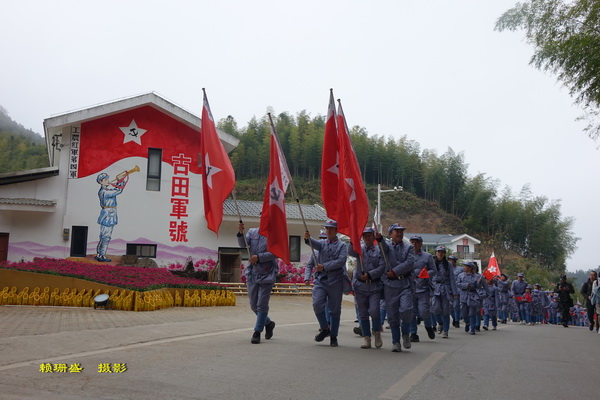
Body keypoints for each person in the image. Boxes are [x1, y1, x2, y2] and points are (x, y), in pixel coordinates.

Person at [304, 219, 348, 347]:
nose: (328, 231)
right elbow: (315, 245)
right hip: (321, 280)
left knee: (334, 310)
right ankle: (325, 329)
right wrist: (308, 239)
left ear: (336, 231)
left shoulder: (342, 246)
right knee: (317, 304)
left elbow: (341, 261)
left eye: (331, 229)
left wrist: (324, 266)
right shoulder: (322, 243)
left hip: (335, 281)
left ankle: (334, 335)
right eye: (327, 228)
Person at [237, 222, 278, 344]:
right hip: (253, 273)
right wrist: (240, 233)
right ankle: (268, 323)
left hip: (268, 273)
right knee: (254, 305)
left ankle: (257, 332)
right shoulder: (252, 232)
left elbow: (277, 252)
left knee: (262, 304)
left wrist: (259, 257)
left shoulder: (275, 235)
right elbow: (243, 244)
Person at [377, 224, 415, 352]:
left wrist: (395, 271)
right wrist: (379, 239)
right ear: (390, 234)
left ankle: (405, 332)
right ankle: (396, 342)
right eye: (396, 231)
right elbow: (382, 246)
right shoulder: (386, 246)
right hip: (390, 286)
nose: (399, 234)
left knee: (407, 309)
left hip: (405, 284)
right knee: (392, 315)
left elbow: (410, 263)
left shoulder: (409, 247)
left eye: (401, 231)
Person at [348, 227, 385, 349]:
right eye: (365, 236)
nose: (367, 238)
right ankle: (367, 338)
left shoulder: (379, 250)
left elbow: (381, 267)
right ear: (362, 237)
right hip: (360, 287)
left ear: (373, 237)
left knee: (374, 311)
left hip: (374, 286)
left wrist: (370, 275)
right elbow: (351, 252)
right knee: (363, 314)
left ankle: (377, 332)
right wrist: (353, 239)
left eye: (370, 235)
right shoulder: (359, 249)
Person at [408, 235, 437, 342]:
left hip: (423, 289)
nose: (414, 244)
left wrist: (425, 274)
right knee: (411, 312)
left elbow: (433, 270)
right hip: (410, 288)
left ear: (421, 244)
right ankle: (413, 333)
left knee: (424, 311)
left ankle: (428, 327)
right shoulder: (406, 255)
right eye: (412, 242)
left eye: (417, 242)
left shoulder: (428, 256)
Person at [95, 172, 128, 262]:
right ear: (101, 182)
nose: (107, 181)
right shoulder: (104, 192)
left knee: (102, 236)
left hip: (107, 213)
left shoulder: (105, 190)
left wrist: (118, 181)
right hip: (108, 215)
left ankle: (99, 253)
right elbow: (118, 191)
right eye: (105, 180)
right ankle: (102, 255)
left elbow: (115, 189)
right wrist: (120, 181)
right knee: (106, 237)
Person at [431, 246, 458, 339]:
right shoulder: (431, 263)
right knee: (435, 309)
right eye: (438, 252)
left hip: (446, 289)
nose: (440, 253)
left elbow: (452, 279)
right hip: (435, 288)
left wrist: (454, 292)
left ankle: (445, 331)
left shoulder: (448, 265)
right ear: (435, 253)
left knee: (446, 311)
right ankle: (440, 323)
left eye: (442, 252)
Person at [456, 261, 485, 335]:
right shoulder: (461, 275)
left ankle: (473, 329)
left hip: (473, 295)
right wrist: (466, 285)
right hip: (463, 294)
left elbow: (478, 287)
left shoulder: (477, 276)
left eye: (466, 266)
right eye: (464, 266)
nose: (465, 267)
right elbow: (457, 284)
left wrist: (479, 282)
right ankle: (467, 322)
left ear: (471, 268)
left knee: (472, 312)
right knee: (464, 312)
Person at [449, 255, 462, 328]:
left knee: (456, 306)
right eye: (449, 260)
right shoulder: (446, 268)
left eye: (452, 260)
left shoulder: (460, 269)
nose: (450, 261)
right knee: (450, 306)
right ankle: (454, 317)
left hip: (457, 289)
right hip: (449, 289)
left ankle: (457, 320)